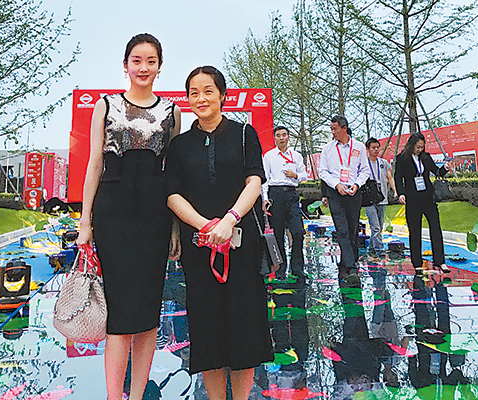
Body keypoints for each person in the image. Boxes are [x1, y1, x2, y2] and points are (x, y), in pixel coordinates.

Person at [76, 33, 181, 400]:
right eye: (137, 60)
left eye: (151, 61)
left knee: (149, 311)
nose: (143, 67)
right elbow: (95, 164)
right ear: (125, 65)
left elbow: (172, 172)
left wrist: (175, 228)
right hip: (114, 211)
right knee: (119, 312)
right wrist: (85, 221)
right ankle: (113, 395)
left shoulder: (172, 112)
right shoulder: (106, 105)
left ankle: (136, 395)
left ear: (159, 67)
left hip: (154, 213)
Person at [166, 65, 273, 400]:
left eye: (208, 91)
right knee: (207, 329)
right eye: (194, 92)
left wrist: (229, 220)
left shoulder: (244, 134)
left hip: (242, 245)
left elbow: (254, 181)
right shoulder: (180, 145)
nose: (201, 98)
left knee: (244, 328)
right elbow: (172, 194)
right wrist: (205, 226)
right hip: (199, 248)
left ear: (223, 95)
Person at [319, 116, 370, 278]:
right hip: (336, 192)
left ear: (344, 128)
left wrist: (357, 184)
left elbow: (365, 170)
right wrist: (336, 185)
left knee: (352, 229)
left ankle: (349, 261)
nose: (333, 132)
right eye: (331, 129)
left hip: (353, 191)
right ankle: (351, 267)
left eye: (335, 129)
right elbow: (323, 172)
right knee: (341, 229)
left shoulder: (359, 147)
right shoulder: (328, 149)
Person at [394, 132, 451, 274]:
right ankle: (417, 263)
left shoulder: (426, 157)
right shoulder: (402, 158)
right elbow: (398, 177)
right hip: (412, 198)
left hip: (428, 197)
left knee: (436, 228)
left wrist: (445, 168)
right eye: (417, 147)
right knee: (415, 231)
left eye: (422, 147)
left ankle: (440, 261)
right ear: (411, 145)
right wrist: (401, 193)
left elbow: (437, 171)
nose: (420, 149)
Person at [261, 126, 308, 280]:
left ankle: (297, 267)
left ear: (288, 137)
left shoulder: (296, 156)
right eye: (278, 135)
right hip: (275, 195)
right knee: (278, 233)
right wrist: (265, 198)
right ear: (275, 138)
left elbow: (304, 175)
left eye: (284, 135)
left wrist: (296, 175)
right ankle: (280, 268)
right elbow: (265, 179)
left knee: (298, 231)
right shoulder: (269, 156)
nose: (281, 138)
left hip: (291, 194)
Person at [364, 138, 397, 257]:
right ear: (368, 149)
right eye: (373, 148)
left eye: (378, 147)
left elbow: (390, 178)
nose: (376, 150)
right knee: (376, 227)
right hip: (369, 200)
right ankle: (379, 250)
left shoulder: (383, 163)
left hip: (382, 198)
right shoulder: (364, 164)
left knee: (379, 227)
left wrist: (395, 191)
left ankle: (371, 249)